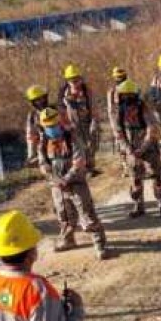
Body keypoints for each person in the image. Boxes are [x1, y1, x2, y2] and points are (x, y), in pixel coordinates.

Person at [38, 108, 108, 259]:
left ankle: (99, 243)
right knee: (64, 216)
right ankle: (68, 240)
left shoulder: (72, 137)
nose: (51, 129)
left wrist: (67, 179)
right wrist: (55, 179)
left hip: (76, 183)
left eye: (53, 125)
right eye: (48, 127)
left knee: (87, 214)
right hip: (57, 186)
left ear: (59, 122)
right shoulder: (43, 141)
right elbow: (43, 164)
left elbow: (79, 160)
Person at [115, 79, 161, 219]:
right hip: (131, 149)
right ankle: (138, 206)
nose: (124, 98)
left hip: (149, 148)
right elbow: (119, 133)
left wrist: (143, 148)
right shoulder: (120, 111)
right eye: (122, 95)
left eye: (127, 95)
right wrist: (128, 150)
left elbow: (152, 129)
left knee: (156, 177)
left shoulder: (143, 108)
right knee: (135, 179)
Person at [59, 64, 100, 176]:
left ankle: (91, 168)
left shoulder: (87, 92)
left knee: (91, 145)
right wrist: (65, 126)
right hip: (72, 126)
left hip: (87, 123)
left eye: (77, 80)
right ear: (68, 81)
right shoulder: (63, 95)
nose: (75, 83)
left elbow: (94, 108)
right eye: (72, 81)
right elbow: (61, 112)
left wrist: (94, 123)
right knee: (78, 148)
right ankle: (81, 169)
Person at [106, 67, 131, 177]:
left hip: (132, 123)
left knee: (133, 144)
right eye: (118, 78)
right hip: (118, 122)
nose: (120, 79)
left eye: (122, 77)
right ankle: (126, 167)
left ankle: (135, 166)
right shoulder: (112, 92)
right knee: (121, 146)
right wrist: (114, 127)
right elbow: (111, 111)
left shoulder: (132, 87)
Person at [24, 85, 57, 167]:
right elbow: (30, 136)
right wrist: (31, 155)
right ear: (32, 102)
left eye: (41, 98)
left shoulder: (55, 109)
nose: (40, 101)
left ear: (45, 97)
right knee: (45, 166)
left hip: (61, 140)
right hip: (43, 143)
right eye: (37, 100)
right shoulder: (32, 116)